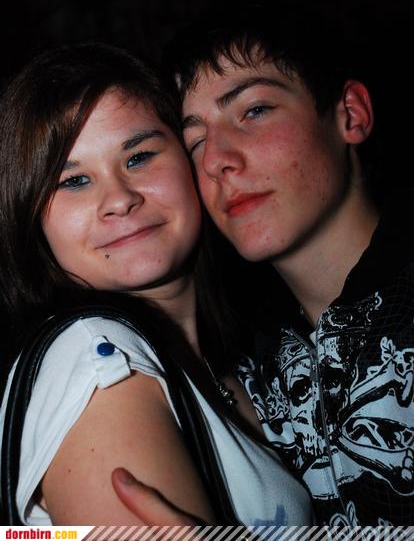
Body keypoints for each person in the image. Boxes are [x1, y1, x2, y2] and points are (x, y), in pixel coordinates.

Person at [111, 7, 414, 526]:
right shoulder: (245, 373)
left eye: (253, 111)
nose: (216, 160)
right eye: (195, 141)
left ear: (350, 115)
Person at [0, 42, 313, 525]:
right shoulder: (101, 362)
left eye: (139, 157)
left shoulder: (246, 364)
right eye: (74, 181)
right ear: (31, 218)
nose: (119, 199)